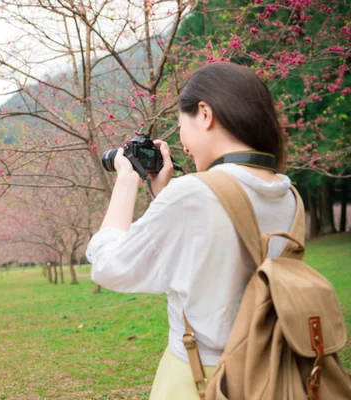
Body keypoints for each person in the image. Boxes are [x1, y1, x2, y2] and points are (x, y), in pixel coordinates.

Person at [86, 62, 297, 399]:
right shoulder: (288, 195)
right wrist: (164, 197)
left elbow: (109, 267)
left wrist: (126, 180)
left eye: (182, 125)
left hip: (201, 379)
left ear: (204, 113)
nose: (183, 144)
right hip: (271, 372)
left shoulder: (193, 195)